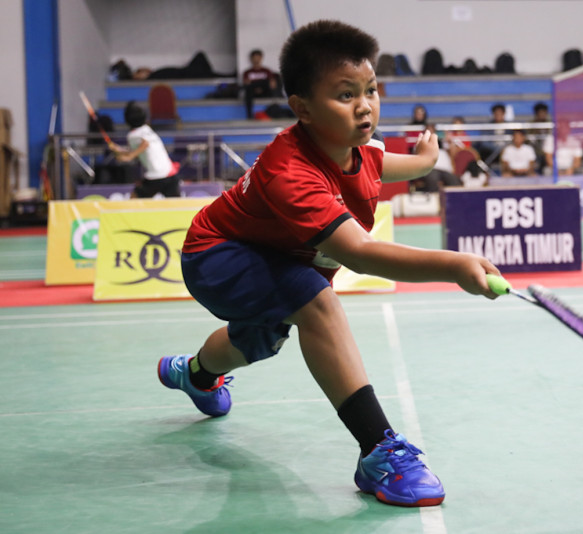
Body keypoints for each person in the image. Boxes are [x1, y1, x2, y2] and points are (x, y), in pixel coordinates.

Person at [156, 19, 500, 508]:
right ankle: (378, 451)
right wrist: (454, 266)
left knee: (258, 340)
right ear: (303, 108)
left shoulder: (355, 149)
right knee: (316, 302)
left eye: (371, 89)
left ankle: (194, 374)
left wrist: (426, 161)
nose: (365, 105)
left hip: (272, 256)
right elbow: (358, 252)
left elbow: (385, 164)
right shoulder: (290, 172)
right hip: (216, 254)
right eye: (345, 94)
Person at [108, 101, 180, 198]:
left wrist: (129, 156)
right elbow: (138, 149)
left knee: (134, 197)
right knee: (176, 205)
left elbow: (144, 144)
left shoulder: (132, 136)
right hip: (170, 174)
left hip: (156, 176)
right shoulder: (147, 129)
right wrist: (118, 149)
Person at [242, 49, 282, 119]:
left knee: (270, 82)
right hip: (253, 92)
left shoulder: (266, 71)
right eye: (254, 58)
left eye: (258, 58)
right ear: (251, 59)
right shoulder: (247, 72)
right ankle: (249, 115)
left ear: (261, 58)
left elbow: (272, 84)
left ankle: (276, 109)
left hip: (265, 91)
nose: (256, 60)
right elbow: (246, 83)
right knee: (249, 87)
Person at [530, 102, 551, 174]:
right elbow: (529, 140)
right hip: (536, 150)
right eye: (540, 112)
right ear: (536, 113)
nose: (542, 114)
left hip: (548, 151)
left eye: (544, 112)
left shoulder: (550, 124)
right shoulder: (531, 125)